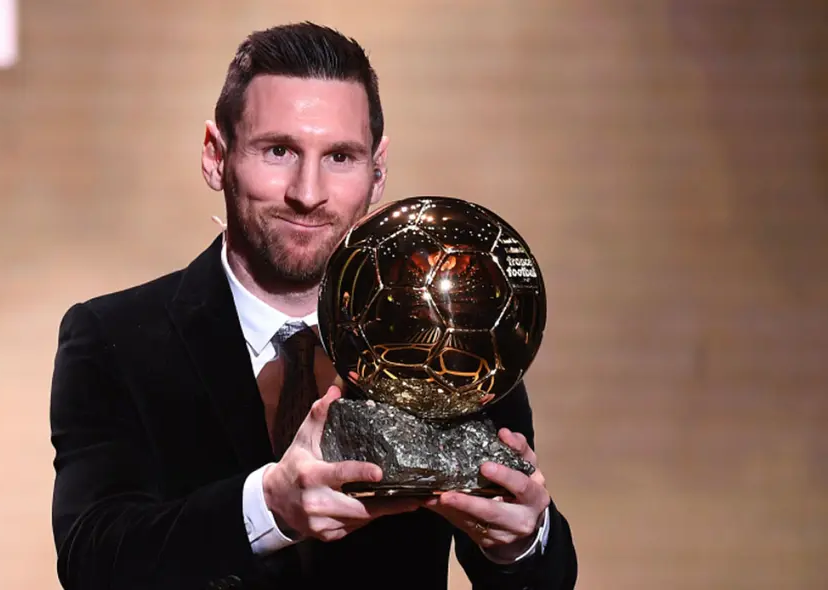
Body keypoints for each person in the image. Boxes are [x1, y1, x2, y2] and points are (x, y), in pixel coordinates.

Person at [49, 21, 578, 590]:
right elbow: (93, 560)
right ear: (215, 156)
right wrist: (268, 509)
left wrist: (522, 543)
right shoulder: (114, 338)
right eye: (278, 150)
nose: (308, 192)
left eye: (340, 158)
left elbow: (540, 578)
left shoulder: (456, 339)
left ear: (378, 171)